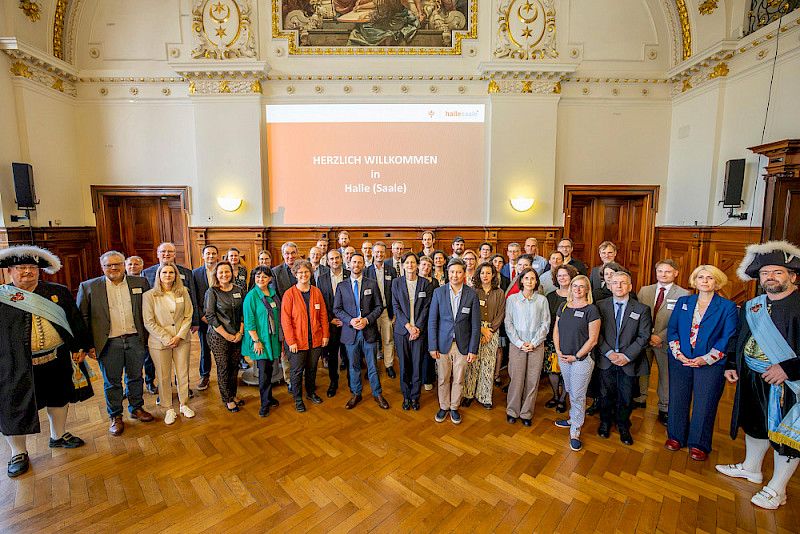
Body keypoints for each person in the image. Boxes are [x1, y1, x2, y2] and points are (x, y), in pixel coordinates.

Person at [717, 241, 800, 510]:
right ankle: (752, 468)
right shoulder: (753, 305)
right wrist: (731, 363)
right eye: (766, 273)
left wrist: (789, 369)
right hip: (753, 376)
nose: (770, 278)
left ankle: (778, 489)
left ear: (792, 276)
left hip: (789, 382)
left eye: (777, 272)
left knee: (785, 435)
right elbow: (740, 338)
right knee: (754, 422)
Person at [1, 246, 93, 477]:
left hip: (56, 358)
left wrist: (79, 346)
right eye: (21, 268)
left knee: (59, 397)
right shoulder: (2, 298)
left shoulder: (58, 292)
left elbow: (74, 321)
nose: (27, 272)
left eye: (32, 268)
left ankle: (58, 436)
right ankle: (18, 453)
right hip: (14, 365)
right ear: (10, 271)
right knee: (14, 407)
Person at [663, 265, 737, 461]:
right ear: (694, 281)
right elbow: (673, 329)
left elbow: (728, 337)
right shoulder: (683, 301)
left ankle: (699, 443)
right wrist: (678, 354)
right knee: (678, 398)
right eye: (700, 277)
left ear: (717, 282)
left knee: (705, 403)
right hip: (681, 360)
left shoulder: (727, 306)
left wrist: (706, 359)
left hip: (711, 363)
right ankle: (676, 437)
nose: (704, 281)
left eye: (709, 278)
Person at [77, 251, 154, 436]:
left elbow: (148, 309)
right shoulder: (89, 287)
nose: (113, 268)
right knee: (112, 382)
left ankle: (136, 408)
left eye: (117, 264)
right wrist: (88, 346)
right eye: (109, 265)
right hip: (108, 343)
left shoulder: (140, 283)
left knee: (136, 377)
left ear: (124, 264)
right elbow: (83, 319)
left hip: (135, 339)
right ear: (102, 266)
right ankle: (115, 416)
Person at [595, 271, 652, 445]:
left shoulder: (642, 309)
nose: (619, 286)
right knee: (605, 394)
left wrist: (627, 356)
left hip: (629, 361)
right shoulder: (599, 305)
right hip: (606, 359)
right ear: (610, 286)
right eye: (615, 283)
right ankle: (605, 422)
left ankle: (623, 425)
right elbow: (596, 333)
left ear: (630, 287)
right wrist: (609, 353)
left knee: (626, 396)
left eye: (623, 283)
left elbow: (644, 336)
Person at [334, 253, 390, 410]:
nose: (356, 265)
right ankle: (356, 393)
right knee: (353, 366)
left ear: (363, 265)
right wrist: (351, 321)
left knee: (372, 366)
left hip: (368, 331)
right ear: (349, 264)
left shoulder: (372, 284)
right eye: (354, 262)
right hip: (350, 333)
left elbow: (379, 307)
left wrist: (366, 320)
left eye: (359, 262)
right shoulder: (342, 286)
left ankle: (377, 393)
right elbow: (337, 309)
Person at [142, 242, 199, 393]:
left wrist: (195, 321)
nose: (166, 254)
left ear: (174, 254)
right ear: (157, 253)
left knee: (182, 364)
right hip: (157, 326)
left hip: (180, 324)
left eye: (170, 252)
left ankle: (183, 389)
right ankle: (153, 384)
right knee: (155, 361)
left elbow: (192, 296)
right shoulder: (146, 272)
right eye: (163, 251)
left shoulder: (186, 272)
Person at [428, 258, 481, 424]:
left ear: (464, 274)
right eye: (452, 272)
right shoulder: (439, 292)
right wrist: (432, 346)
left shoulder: (472, 294)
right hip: (442, 344)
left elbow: (475, 325)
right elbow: (432, 321)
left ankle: (454, 407)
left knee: (459, 378)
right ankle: (443, 406)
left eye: (458, 272)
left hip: (463, 345)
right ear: (448, 273)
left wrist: (473, 349)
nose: (455, 275)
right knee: (443, 378)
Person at [553, 274, 601, 451]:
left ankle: (575, 430)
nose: (578, 289)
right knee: (570, 390)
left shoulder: (591, 310)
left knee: (578, 395)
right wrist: (558, 351)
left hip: (581, 359)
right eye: (575, 286)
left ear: (587, 289)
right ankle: (573, 419)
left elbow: (593, 339)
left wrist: (576, 356)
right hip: (563, 357)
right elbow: (556, 330)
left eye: (581, 286)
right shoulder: (563, 305)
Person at [637, 259, 689, 424]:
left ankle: (664, 407)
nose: (663, 274)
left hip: (665, 342)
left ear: (675, 273)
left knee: (665, 376)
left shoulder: (683, 294)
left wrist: (661, 337)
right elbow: (637, 315)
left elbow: (681, 321)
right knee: (642, 371)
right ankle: (639, 398)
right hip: (644, 340)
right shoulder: (645, 291)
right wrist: (647, 336)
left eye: (667, 271)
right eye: (660, 271)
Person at [142, 262, 195, 424]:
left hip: (182, 340)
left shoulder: (183, 291)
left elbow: (188, 315)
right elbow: (149, 322)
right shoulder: (149, 295)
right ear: (159, 275)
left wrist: (179, 336)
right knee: (164, 376)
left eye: (171, 272)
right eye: (164, 272)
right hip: (159, 342)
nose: (168, 275)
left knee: (182, 372)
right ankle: (168, 408)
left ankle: (183, 404)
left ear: (176, 275)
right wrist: (166, 338)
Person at [281, 259, 329, 412]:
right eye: (300, 272)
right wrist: (291, 342)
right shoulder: (289, 294)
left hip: (315, 340)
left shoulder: (316, 291)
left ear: (310, 273)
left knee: (312, 368)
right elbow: (285, 321)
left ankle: (310, 392)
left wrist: (325, 335)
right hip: (296, 342)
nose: (303, 275)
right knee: (296, 371)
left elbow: (323, 315)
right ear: (295, 274)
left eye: (306, 272)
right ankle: (297, 398)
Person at [504, 267, 550, 426]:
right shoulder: (512, 299)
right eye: (526, 278)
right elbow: (508, 323)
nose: (529, 281)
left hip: (536, 345)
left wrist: (534, 342)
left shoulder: (542, 300)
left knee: (532, 380)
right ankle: (512, 411)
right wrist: (519, 343)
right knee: (516, 379)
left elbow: (545, 323)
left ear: (536, 281)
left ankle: (526, 413)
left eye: (532, 278)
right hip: (517, 345)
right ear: (521, 281)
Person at [392, 252, 432, 410]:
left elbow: (426, 308)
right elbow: (396, 306)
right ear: (402, 265)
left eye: (413, 262)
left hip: (419, 332)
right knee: (404, 365)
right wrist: (408, 326)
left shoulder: (425, 283)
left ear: (417, 265)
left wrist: (417, 328)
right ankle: (406, 396)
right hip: (402, 332)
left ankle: (415, 397)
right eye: (407, 262)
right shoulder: (396, 283)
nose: (410, 265)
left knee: (417, 364)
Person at [204, 261, 245, 413]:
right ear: (216, 274)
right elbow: (210, 316)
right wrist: (226, 334)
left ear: (232, 273)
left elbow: (243, 313)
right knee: (224, 368)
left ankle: (233, 395)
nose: (224, 275)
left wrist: (240, 333)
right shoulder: (212, 292)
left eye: (227, 271)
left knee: (235, 367)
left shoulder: (239, 290)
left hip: (237, 335)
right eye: (221, 272)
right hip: (218, 336)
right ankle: (227, 398)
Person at [463, 262, 504, 410]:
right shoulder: (472, 291)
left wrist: (490, 331)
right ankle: (468, 394)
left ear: (493, 274)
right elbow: (467, 313)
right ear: (478, 275)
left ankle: (484, 396)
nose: (485, 276)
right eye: (482, 273)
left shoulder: (499, 292)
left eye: (488, 273)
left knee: (488, 364)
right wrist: (481, 329)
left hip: (492, 331)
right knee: (472, 363)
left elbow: (501, 314)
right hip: (475, 329)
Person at [243, 266, 282, 417]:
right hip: (260, 341)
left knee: (270, 369)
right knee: (263, 372)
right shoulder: (251, 296)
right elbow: (249, 321)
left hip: (272, 339)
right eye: (258, 276)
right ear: (254, 278)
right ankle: (264, 404)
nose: (261, 279)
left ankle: (269, 397)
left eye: (264, 277)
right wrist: (256, 341)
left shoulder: (273, 294)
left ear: (270, 279)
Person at [544, 264, 579, 413]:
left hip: (571, 341)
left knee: (567, 372)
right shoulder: (550, 296)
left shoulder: (576, 295)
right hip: (553, 339)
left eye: (565, 275)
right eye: (559, 275)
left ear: (571, 277)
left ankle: (563, 398)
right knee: (552, 370)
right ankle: (555, 395)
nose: (562, 278)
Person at [317, 249, 350, 397]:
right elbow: (321, 301)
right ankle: (333, 382)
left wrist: (346, 319)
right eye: (331, 259)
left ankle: (352, 380)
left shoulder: (350, 275)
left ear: (341, 259)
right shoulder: (321, 278)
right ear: (328, 261)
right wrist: (330, 318)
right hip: (331, 322)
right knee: (332, 354)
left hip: (348, 322)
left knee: (349, 353)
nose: (335, 261)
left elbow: (355, 300)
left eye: (337, 258)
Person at [365, 242, 397, 378]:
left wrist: (394, 312)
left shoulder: (391, 270)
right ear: (372, 253)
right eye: (377, 252)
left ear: (385, 253)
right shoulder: (366, 271)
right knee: (371, 341)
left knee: (388, 339)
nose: (379, 254)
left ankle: (389, 365)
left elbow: (395, 293)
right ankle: (371, 367)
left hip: (386, 311)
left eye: (382, 252)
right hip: (371, 312)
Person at [192, 244, 218, 391]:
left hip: (221, 318)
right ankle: (205, 375)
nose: (210, 256)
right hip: (204, 319)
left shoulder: (222, 271)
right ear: (203, 256)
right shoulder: (195, 274)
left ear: (217, 256)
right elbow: (194, 297)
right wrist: (201, 316)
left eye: (213, 254)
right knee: (205, 348)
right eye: (208, 254)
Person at [418, 255, 439, 391]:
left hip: (431, 319)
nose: (426, 267)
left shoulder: (435, 282)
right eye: (424, 265)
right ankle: (417, 376)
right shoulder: (414, 281)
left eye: (429, 265)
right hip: (417, 320)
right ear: (419, 266)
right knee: (416, 350)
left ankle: (428, 378)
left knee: (429, 349)